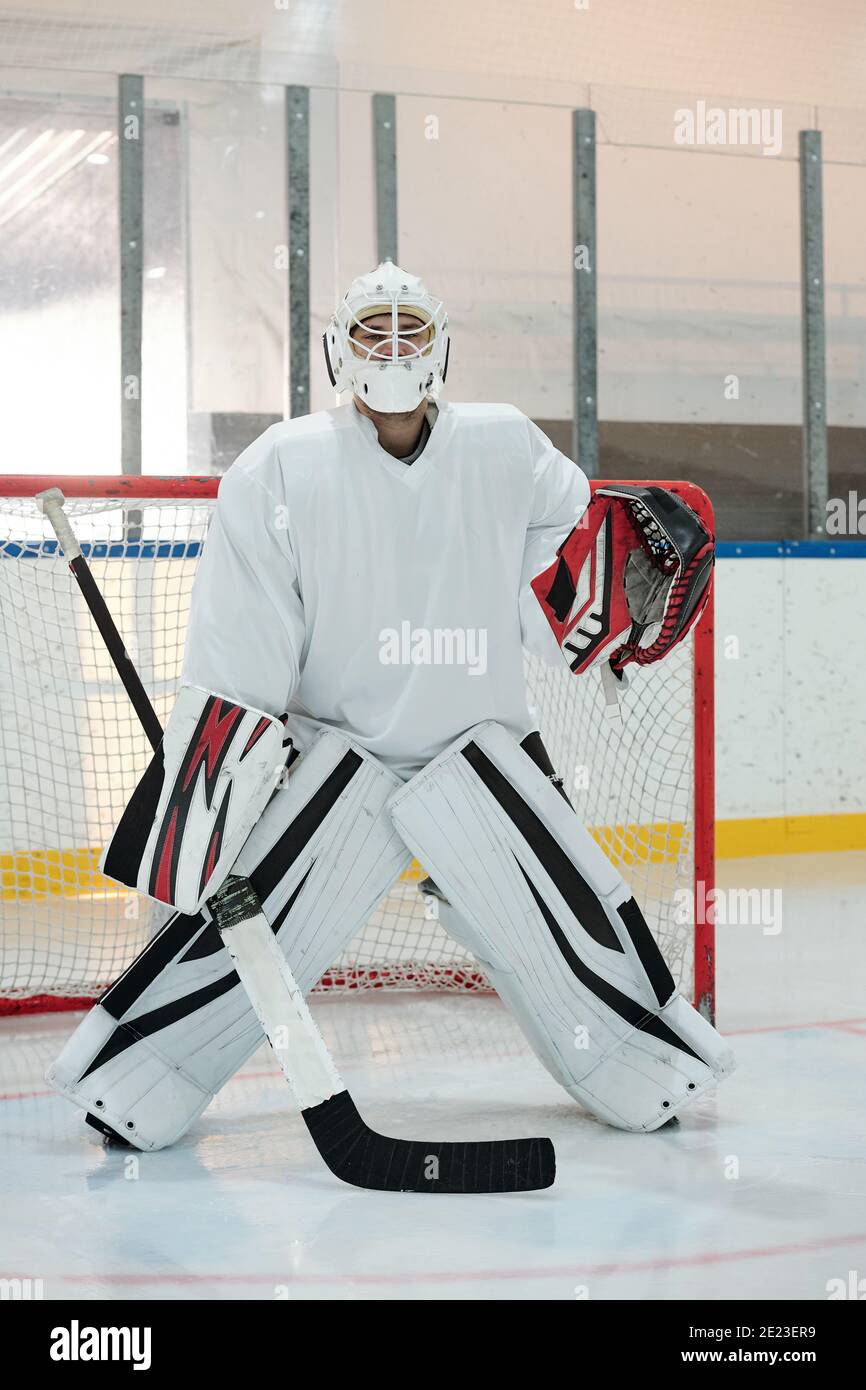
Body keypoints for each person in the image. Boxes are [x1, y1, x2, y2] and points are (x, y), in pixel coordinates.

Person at [48, 260, 733, 1151]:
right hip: (337, 766)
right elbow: (240, 649)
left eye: (412, 329)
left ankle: (646, 1070)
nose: (396, 347)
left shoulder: (507, 447)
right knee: (237, 949)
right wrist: (209, 813)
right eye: (376, 329)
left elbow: (557, 600)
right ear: (341, 350)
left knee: (579, 932)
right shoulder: (282, 467)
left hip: (483, 753)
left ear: (443, 347)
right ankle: (133, 1082)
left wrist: (621, 597)